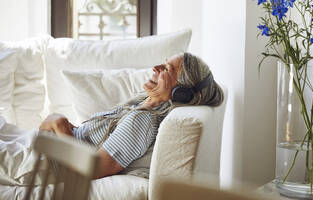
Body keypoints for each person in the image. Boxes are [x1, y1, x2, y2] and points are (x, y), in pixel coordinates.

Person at [39, 52, 224, 179]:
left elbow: (93, 169)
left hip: (44, 162)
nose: (156, 68)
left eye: (167, 69)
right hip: (45, 150)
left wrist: (60, 124)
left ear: (180, 93)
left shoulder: (144, 119)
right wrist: (54, 122)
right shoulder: (141, 105)